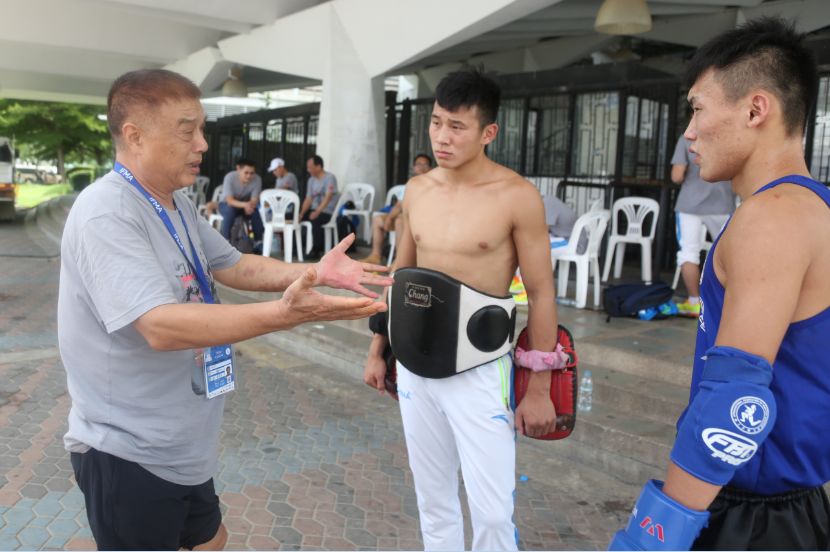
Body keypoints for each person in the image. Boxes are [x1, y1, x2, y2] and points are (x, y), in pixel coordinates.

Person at [58, 69, 392, 551]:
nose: (202, 144)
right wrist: (287, 314)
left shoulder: (174, 203)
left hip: (181, 445)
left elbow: (236, 265)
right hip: (128, 451)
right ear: (134, 135)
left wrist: (317, 271)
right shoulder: (107, 212)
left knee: (211, 541)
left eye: (202, 129)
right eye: (186, 129)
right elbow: (160, 325)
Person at [609, 17, 830, 551]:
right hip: (793, 505)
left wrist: (652, 537)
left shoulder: (773, 217)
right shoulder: (813, 206)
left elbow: (733, 405)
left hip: (754, 518)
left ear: (756, 109)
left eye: (698, 108)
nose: (688, 132)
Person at [363, 69, 561, 551]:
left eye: (457, 126)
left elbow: (541, 292)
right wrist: (377, 347)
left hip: (480, 368)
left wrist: (540, 386)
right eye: (436, 123)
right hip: (415, 364)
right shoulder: (419, 190)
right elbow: (399, 274)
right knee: (433, 501)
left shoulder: (517, 197)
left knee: (493, 512)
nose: (442, 137)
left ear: (488, 132)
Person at [670, 135, 736, 317]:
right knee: (730, 255)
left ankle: (694, 302)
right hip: (723, 205)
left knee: (688, 253)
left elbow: (676, 176)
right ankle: (729, 303)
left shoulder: (687, 139)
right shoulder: (728, 135)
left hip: (689, 205)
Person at [360, 153, 433, 265]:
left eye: (425, 164)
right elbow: (399, 205)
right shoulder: (410, 183)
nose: (422, 167)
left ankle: (400, 260)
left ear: (431, 168)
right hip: (404, 217)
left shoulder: (432, 184)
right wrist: (389, 218)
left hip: (420, 221)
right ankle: (375, 255)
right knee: (378, 219)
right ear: (414, 167)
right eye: (418, 164)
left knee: (399, 221)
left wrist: (393, 217)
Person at [298, 155, 338, 259]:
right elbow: (308, 199)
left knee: (316, 220)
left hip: (327, 211)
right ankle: (296, 248)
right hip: (314, 209)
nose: (308, 170)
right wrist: (301, 214)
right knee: (293, 217)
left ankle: (316, 250)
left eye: (310, 167)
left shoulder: (330, 178)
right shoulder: (311, 180)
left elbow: (328, 197)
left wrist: (317, 211)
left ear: (319, 166)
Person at [218, 158, 264, 245]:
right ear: (238, 169)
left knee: (254, 212)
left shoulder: (257, 179)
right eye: (246, 173)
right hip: (226, 204)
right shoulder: (230, 177)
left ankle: (258, 242)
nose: (249, 176)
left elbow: (254, 200)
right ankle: (225, 242)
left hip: (245, 205)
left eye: (252, 173)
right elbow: (229, 201)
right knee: (230, 211)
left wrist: (248, 206)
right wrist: (246, 205)